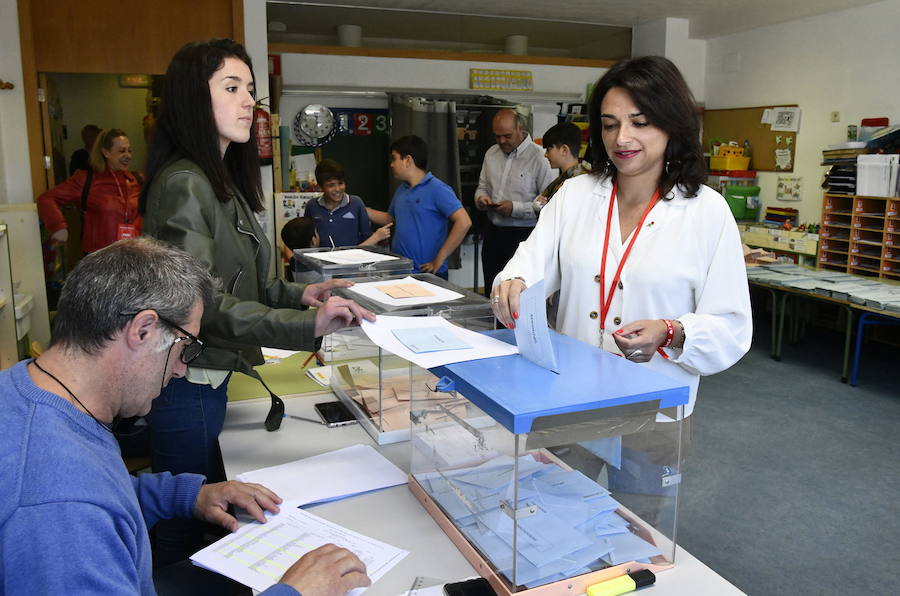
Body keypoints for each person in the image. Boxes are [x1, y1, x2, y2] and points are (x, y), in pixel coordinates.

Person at [0, 237, 371, 596]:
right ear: (142, 330)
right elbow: (75, 505)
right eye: (185, 347)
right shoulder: (56, 511)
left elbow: (101, 493)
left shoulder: (31, 392)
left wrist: (189, 495)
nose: (180, 370)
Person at [139, 38, 375, 563]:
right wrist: (306, 327)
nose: (249, 101)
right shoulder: (186, 184)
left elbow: (251, 284)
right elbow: (204, 306)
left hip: (215, 376)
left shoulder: (221, 179)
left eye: (251, 89)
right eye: (231, 88)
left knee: (208, 518)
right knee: (186, 527)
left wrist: (302, 294)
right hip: (187, 383)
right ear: (192, 100)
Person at [491, 55, 752, 425]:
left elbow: (731, 325)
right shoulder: (575, 195)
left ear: (671, 125)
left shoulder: (706, 211)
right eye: (609, 125)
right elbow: (531, 263)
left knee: (638, 484)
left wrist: (670, 331)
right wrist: (514, 283)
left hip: (654, 403)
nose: (621, 138)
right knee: (561, 481)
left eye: (640, 123)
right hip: (570, 395)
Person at [474, 108, 554, 296]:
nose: (501, 141)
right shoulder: (491, 154)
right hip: (493, 234)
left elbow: (547, 204)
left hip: (524, 237)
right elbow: (482, 187)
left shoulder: (539, 158)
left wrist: (515, 209)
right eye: (497, 136)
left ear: (521, 129)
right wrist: (481, 199)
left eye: (507, 136)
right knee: (491, 292)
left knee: (519, 297)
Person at [368, 135, 471, 279]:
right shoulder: (402, 190)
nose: (391, 164)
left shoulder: (437, 189)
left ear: (408, 160)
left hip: (427, 273)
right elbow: (390, 219)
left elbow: (464, 221)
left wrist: (439, 259)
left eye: (394, 158)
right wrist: (361, 208)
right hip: (401, 271)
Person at [38, 127, 143, 254]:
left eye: (129, 151)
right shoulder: (86, 180)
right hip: (101, 260)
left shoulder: (136, 180)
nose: (128, 155)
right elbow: (46, 199)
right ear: (106, 152)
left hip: (133, 255)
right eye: (122, 151)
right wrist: (58, 227)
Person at [304, 159, 392, 248]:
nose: (338, 189)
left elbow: (367, 237)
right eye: (331, 185)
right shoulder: (312, 206)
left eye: (340, 183)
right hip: (320, 260)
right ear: (320, 187)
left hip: (352, 259)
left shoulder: (356, 203)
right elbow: (307, 238)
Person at [532, 122, 591, 213]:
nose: (545, 155)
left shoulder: (577, 182)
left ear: (564, 150)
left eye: (548, 149)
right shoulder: (566, 178)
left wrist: (544, 209)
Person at [280, 215, 321, 283]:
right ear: (314, 241)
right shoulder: (321, 265)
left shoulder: (294, 261)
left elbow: (288, 251)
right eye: (316, 232)